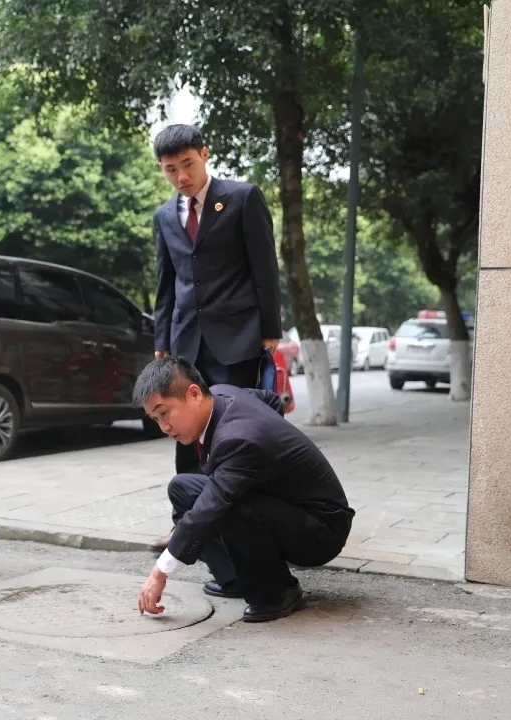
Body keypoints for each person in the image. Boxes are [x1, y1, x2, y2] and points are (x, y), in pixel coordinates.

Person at [133, 357, 354, 622]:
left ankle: (276, 592)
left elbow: (206, 511)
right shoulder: (220, 394)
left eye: (164, 413)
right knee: (183, 487)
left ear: (194, 394)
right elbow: (270, 400)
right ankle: (237, 579)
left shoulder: (239, 439)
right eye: (155, 418)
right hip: (284, 507)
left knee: (228, 503)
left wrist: (160, 572)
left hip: (321, 530)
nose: (164, 427)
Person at [147, 123, 283, 552]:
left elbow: (265, 269)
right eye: (171, 169)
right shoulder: (164, 216)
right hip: (185, 343)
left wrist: (270, 331)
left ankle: (242, 523)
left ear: (205, 154)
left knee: (233, 431)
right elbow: (166, 284)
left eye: (188, 164)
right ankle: (183, 525)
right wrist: (162, 342)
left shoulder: (243, 198)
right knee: (182, 430)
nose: (181, 176)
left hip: (237, 338)